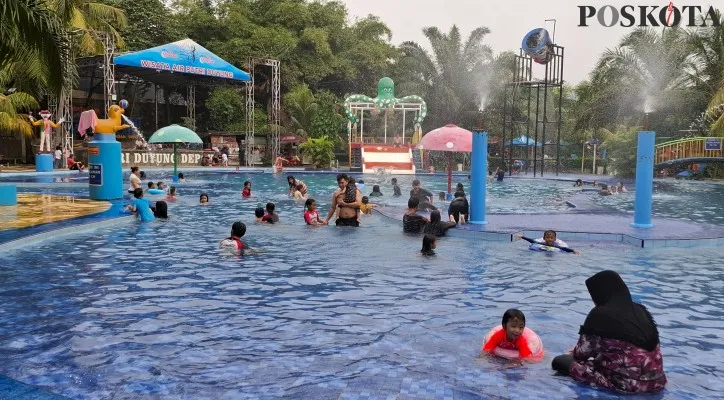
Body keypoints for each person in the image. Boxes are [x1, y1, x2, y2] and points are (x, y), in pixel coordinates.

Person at [552, 271, 667, 394]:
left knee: (560, 361)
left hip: (626, 385)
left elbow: (581, 354)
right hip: (657, 382)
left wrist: (572, 353)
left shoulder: (599, 314)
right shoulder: (641, 310)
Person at [515, 231, 580, 254]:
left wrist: (573, 250)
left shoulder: (556, 246)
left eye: (552, 238)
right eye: (548, 237)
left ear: (555, 239)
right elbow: (532, 241)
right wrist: (522, 237)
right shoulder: (541, 243)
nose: (549, 239)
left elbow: (564, 248)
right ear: (544, 238)